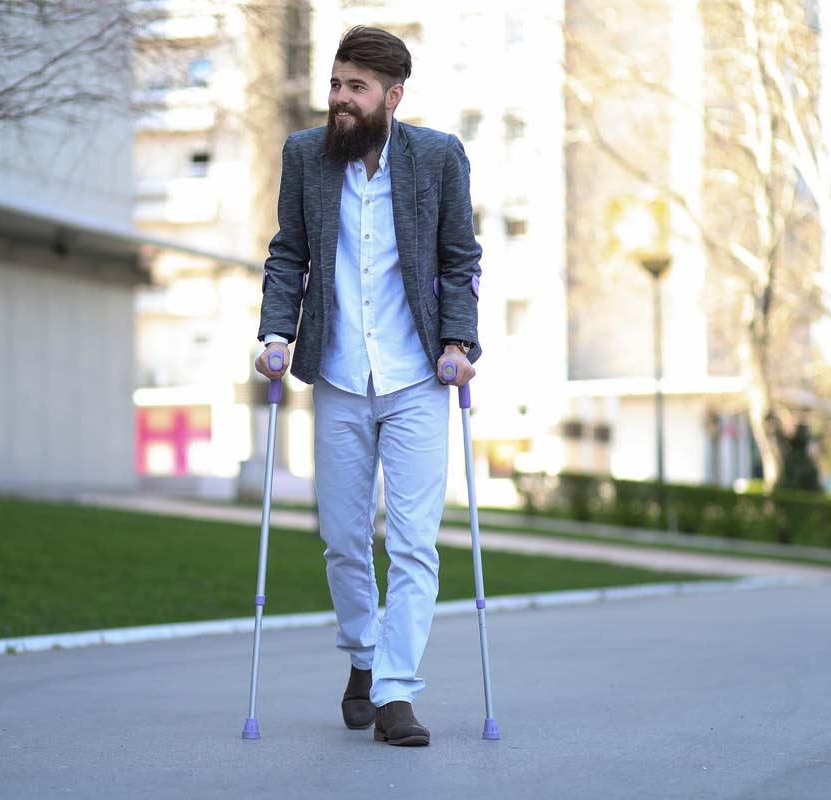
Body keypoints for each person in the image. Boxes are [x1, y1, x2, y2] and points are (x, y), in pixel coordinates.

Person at [253, 25, 482, 747]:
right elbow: (288, 255)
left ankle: (396, 694)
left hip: (418, 376)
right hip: (341, 375)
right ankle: (363, 654)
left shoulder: (438, 157)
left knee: (414, 545)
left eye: (356, 87)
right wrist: (274, 335)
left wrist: (458, 343)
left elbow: (460, 258)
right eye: (335, 84)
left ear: (392, 95)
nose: (340, 99)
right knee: (345, 541)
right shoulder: (304, 157)